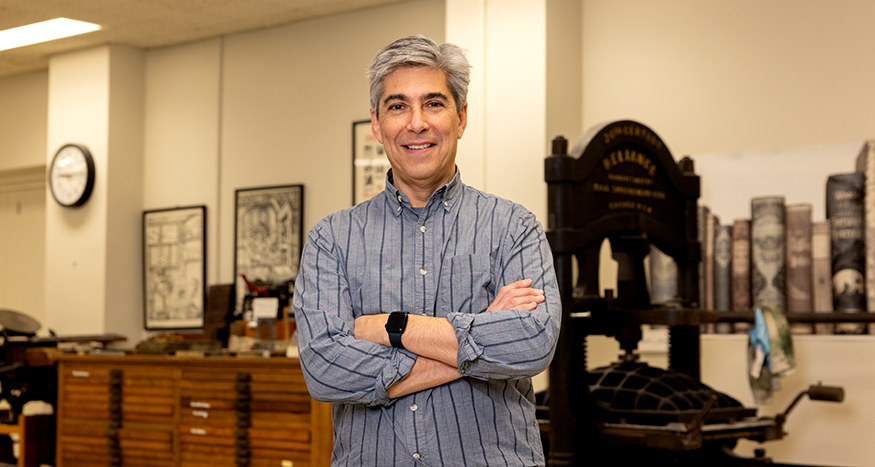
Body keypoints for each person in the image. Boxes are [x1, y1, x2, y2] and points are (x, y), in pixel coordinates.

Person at [293, 34, 561, 467]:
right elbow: (324, 369)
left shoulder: (513, 226)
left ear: (461, 118)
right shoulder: (331, 239)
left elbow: (532, 343)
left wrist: (391, 327)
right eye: (398, 106)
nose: (416, 123)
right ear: (377, 124)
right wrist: (484, 332)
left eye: (434, 104)